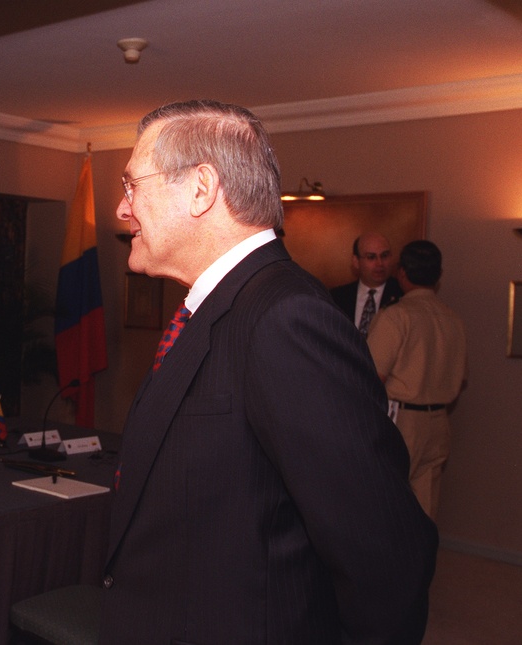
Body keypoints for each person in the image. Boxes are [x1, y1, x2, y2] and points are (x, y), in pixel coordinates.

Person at [100, 100, 437, 644]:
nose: (122, 208)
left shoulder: (285, 317)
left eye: (131, 184)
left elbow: (384, 552)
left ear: (201, 189)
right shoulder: (216, 308)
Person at [366, 240, 468, 520]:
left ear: (402, 272)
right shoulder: (453, 320)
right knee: (424, 511)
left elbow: (371, 379)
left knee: (386, 504)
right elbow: (460, 378)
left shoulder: (396, 316)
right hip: (439, 422)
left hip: (402, 420)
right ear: (438, 275)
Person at [330, 232, 404, 336]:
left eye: (384, 256)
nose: (379, 263)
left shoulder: (403, 294)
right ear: (356, 261)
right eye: (371, 257)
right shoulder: (337, 297)